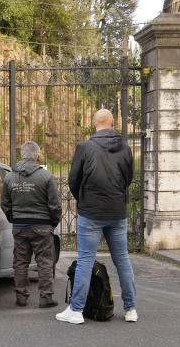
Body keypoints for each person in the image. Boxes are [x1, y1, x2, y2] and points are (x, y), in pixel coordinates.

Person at [57, 109, 138, 325]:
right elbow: (128, 179)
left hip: (91, 211)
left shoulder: (85, 147)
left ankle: (76, 310)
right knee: (122, 259)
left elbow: (73, 179)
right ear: (113, 123)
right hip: (117, 211)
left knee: (85, 259)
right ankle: (131, 309)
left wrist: (83, 199)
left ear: (94, 125)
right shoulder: (125, 149)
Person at [1, 141, 61, 308]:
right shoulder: (46, 177)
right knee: (44, 262)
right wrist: (53, 222)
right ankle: (46, 298)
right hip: (42, 226)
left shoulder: (9, 177)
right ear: (38, 156)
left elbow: (5, 204)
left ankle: (21, 298)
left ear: (22, 155)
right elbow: (55, 205)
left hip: (20, 226)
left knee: (20, 262)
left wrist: (14, 218)